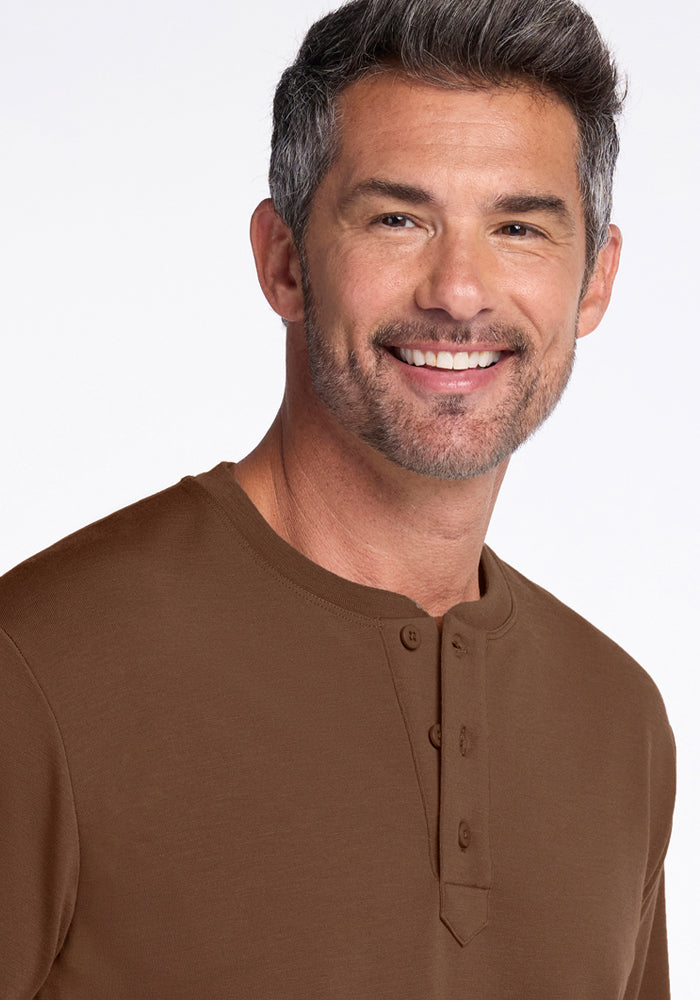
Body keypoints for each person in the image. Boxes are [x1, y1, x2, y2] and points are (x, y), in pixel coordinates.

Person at [0, 0, 675, 996]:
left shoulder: (618, 722)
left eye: (519, 226)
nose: (458, 290)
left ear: (594, 281)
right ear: (284, 260)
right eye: (397, 218)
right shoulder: (39, 674)